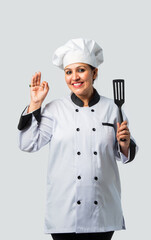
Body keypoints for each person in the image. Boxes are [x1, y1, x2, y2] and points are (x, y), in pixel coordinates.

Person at [18, 38, 138, 240]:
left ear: (95, 73)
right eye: (68, 72)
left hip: (103, 211)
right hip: (64, 212)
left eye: (81, 70)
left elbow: (124, 154)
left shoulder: (113, 108)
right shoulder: (54, 109)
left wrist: (124, 144)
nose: (75, 77)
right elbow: (28, 144)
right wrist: (35, 104)